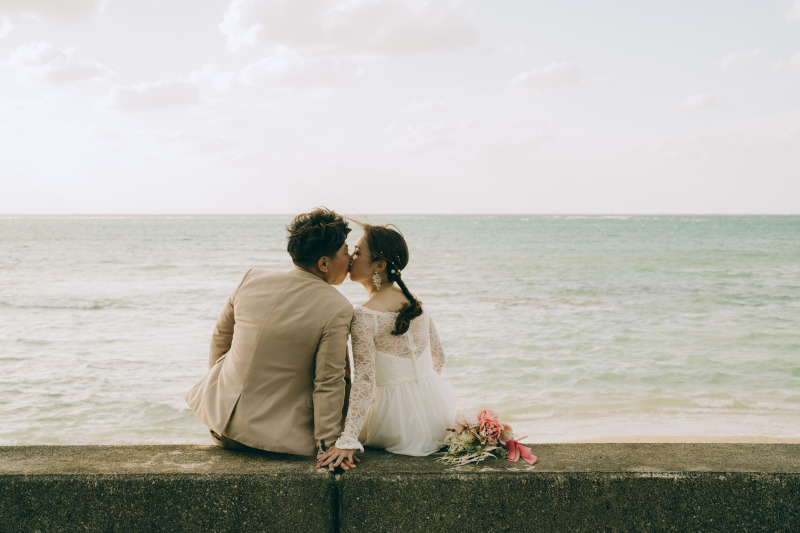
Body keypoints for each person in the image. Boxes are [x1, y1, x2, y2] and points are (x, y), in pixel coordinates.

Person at [185, 208, 354, 465]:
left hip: (220, 428)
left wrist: (220, 400)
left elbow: (221, 337)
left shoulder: (251, 279)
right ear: (323, 263)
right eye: (345, 251)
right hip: (278, 442)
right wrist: (326, 445)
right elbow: (329, 381)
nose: (351, 257)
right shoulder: (337, 307)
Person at [317, 223, 456, 470]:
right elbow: (440, 357)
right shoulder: (415, 302)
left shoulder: (365, 315)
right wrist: (421, 401)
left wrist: (349, 438)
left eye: (358, 252)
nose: (351, 257)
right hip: (435, 418)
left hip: (394, 423)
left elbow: (365, 379)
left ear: (379, 265)